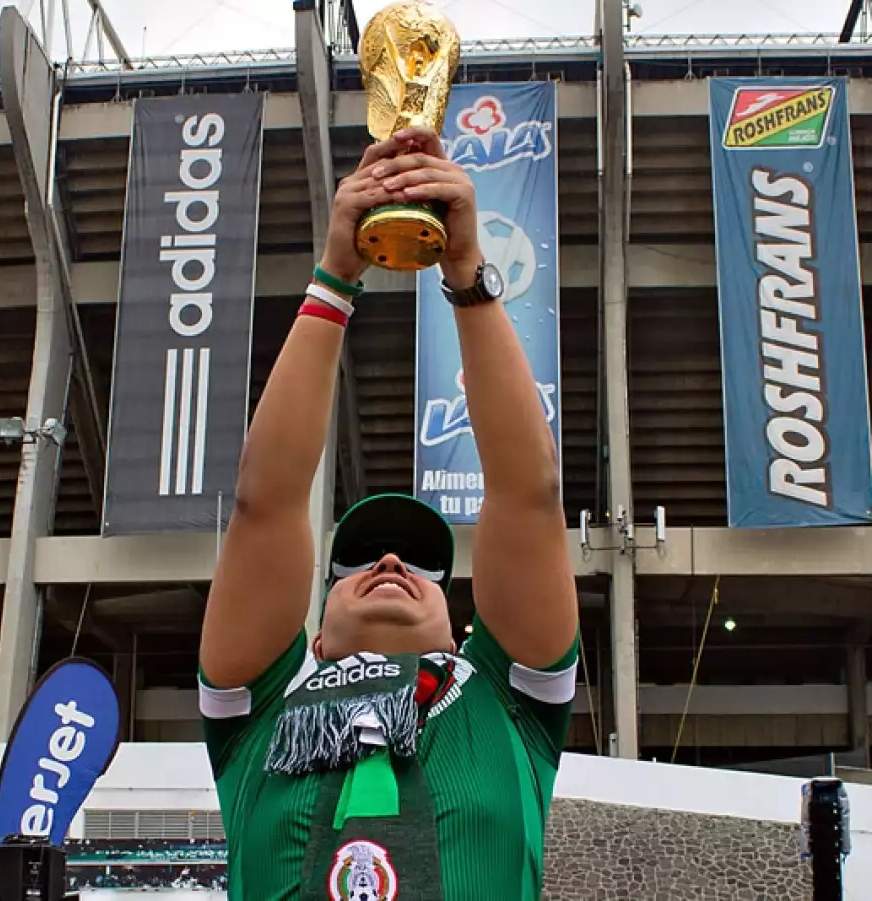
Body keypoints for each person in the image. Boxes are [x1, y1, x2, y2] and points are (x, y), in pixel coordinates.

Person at [197, 125, 579, 901]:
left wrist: (467, 272)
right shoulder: (258, 714)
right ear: (311, 638)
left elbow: (528, 494)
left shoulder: (509, 706)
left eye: (420, 567)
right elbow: (264, 503)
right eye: (356, 564)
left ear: (464, 632)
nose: (391, 563)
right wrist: (335, 272)